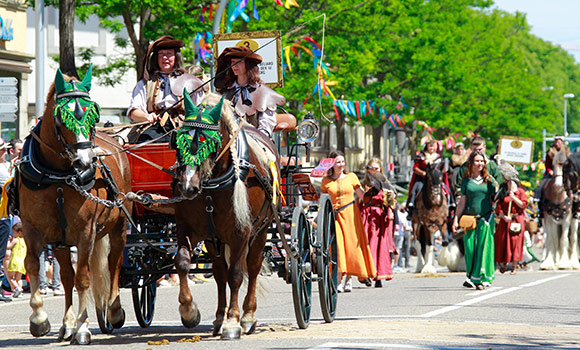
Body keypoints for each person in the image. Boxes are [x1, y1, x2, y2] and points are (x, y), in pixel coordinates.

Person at [127, 35, 205, 142]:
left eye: (169, 54)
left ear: (176, 57)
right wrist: (146, 116)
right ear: (156, 58)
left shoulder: (190, 81)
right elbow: (134, 112)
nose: (165, 58)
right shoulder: (145, 83)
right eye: (161, 54)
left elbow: (201, 110)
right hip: (153, 127)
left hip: (183, 127)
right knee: (143, 143)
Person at [320, 151, 376, 292]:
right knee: (338, 246)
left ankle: (349, 279)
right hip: (334, 216)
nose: (341, 165)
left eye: (342, 162)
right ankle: (338, 279)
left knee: (351, 246)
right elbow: (322, 200)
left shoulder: (351, 177)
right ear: (332, 164)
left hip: (350, 214)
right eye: (338, 162)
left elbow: (362, 195)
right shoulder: (326, 181)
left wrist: (373, 194)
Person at [214, 45, 285, 138]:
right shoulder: (224, 93)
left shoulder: (264, 93)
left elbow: (266, 124)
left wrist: (256, 139)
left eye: (239, 62)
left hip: (257, 141)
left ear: (248, 64)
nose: (234, 66)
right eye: (232, 62)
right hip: (228, 143)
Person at [452, 151, 499, 290]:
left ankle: (482, 278)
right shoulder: (465, 181)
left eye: (482, 161)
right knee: (470, 249)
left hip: (486, 217)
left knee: (483, 249)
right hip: (469, 219)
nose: (480, 164)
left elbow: (496, 198)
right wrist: (455, 220)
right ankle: (472, 276)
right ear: (471, 163)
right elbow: (461, 203)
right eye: (477, 161)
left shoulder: (489, 180)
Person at [359, 158, 396, 287]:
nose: (374, 171)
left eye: (376, 168)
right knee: (366, 245)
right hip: (365, 215)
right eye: (371, 168)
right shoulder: (363, 183)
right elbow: (359, 201)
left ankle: (378, 275)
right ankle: (366, 273)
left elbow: (391, 202)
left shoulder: (386, 184)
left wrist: (390, 210)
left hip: (379, 216)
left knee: (378, 245)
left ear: (380, 169)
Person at [406, 139, 454, 217]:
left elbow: (443, 169)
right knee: (415, 189)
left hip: (435, 180)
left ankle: (451, 205)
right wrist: (423, 173)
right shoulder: (421, 157)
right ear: (427, 147)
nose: (432, 148)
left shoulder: (439, 158)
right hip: (423, 179)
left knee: (446, 189)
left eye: (434, 146)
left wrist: (442, 172)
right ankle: (411, 207)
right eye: (430, 146)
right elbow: (415, 168)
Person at [495, 180, 528, 274]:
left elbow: (523, 204)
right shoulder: (503, 192)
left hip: (517, 219)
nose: (510, 183)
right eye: (509, 182)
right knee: (503, 241)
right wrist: (503, 216)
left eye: (512, 182)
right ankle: (503, 263)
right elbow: (499, 207)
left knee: (515, 242)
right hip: (506, 220)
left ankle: (514, 266)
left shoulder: (520, 191)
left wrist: (513, 197)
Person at [534, 136, 570, 217]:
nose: (557, 143)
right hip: (551, 174)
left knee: (573, 186)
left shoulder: (566, 152)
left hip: (563, 174)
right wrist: (550, 171)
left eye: (559, 142)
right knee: (541, 186)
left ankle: (575, 207)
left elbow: (568, 164)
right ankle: (540, 207)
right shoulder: (550, 152)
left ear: (562, 143)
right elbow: (547, 164)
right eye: (556, 142)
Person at [0, 139, 12, 302]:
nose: (5, 152)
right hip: (1, 214)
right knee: (0, 253)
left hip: (4, 213)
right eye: (2, 149)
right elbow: (10, 184)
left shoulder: (4, 166)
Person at [5, 222, 25, 298]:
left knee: (11, 277)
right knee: (19, 278)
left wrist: (8, 240)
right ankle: (21, 291)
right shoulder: (24, 240)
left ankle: (17, 288)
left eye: (14, 232)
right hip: (22, 261)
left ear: (19, 232)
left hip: (14, 261)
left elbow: (8, 247)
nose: (13, 234)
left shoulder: (16, 240)